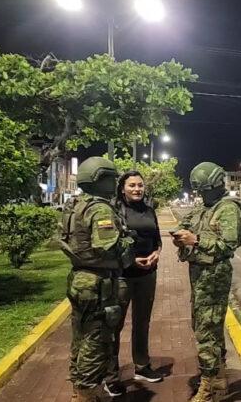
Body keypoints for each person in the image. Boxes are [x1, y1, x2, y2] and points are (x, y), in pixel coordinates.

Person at [172, 162, 241, 402]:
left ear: (217, 185)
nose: (202, 194)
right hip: (200, 275)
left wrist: (196, 240)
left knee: (207, 331)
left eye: (205, 190)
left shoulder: (227, 209)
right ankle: (218, 377)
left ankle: (209, 387)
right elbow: (185, 224)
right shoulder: (205, 207)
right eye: (199, 191)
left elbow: (228, 245)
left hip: (214, 275)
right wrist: (181, 236)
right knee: (206, 327)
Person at [60, 157, 133, 402]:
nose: (115, 182)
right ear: (99, 179)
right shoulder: (100, 208)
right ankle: (88, 392)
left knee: (80, 336)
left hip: (80, 279)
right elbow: (107, 248)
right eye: (112, 177)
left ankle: (80, 388)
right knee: (96, 340)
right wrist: (128, 242)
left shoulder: (75, 205)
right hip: (97, 282)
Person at [104, 171, 164, 397]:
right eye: (132, 185)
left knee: (142, 322)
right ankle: (110, 376)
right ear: (122, 188)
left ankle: (142, 366)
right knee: (114, 325)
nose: (137, 189)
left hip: (148, 274)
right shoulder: (114, 211)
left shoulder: (149, 210)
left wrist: (157, 253)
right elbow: (108, 244)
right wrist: (129, 260)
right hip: (122, 275)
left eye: (140, 185)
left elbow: (157, 238)